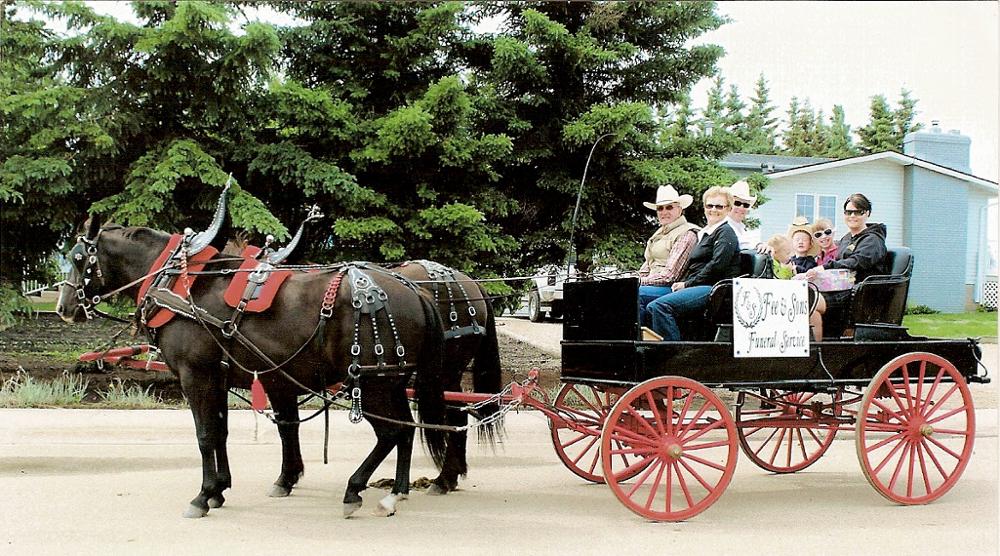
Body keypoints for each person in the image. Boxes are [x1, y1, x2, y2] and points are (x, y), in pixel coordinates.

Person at [642, 186, 741, 340]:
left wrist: (687, 284)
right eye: (709, 205)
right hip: (698, 285)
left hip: (712, 288)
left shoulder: (725, 232)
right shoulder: (706, 233)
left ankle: (673, 356)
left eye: (719, 206)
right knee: (644, 301)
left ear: (728, 209)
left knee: (659, 307)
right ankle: (645, 344)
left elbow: (717, 266)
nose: (713, 209)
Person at [805, 193, 889, 336]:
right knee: (804, 296)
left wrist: (825, 267)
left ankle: (815, 353)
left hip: (859, 295)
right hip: (838, 287)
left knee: (810, 303)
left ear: (867, 213)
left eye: (858, 212)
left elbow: (856, 262)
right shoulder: (846, 239)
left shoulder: (873, 240)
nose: (852, 216)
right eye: (848, 212)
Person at [637, 186, 700, 327]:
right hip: (653, 284)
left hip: (672, 288)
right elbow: (647, 266)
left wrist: (638, 282)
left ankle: (642, 341)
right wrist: (631, 279)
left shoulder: (687, 234)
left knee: (635, 294)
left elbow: (670, 276)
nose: (664, 212)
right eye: (660, 208)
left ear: (680, 209)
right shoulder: (659, 234)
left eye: (669, 207)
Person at [766, 233, 826, 341]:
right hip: (783, 300)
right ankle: (817, 347)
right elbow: (782, 282)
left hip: (790, 297)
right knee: (819, 305)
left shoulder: (804, 261)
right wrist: (789, 270)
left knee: (816, 312)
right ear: (775, 253)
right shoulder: (776, 265)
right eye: (788, 253)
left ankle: (816, 347)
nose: (790, 256)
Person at [725, 179, 757, 249]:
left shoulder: (744, 228)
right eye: (737, 203)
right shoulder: (723, 226)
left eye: (746, 205)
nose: (741, 208)